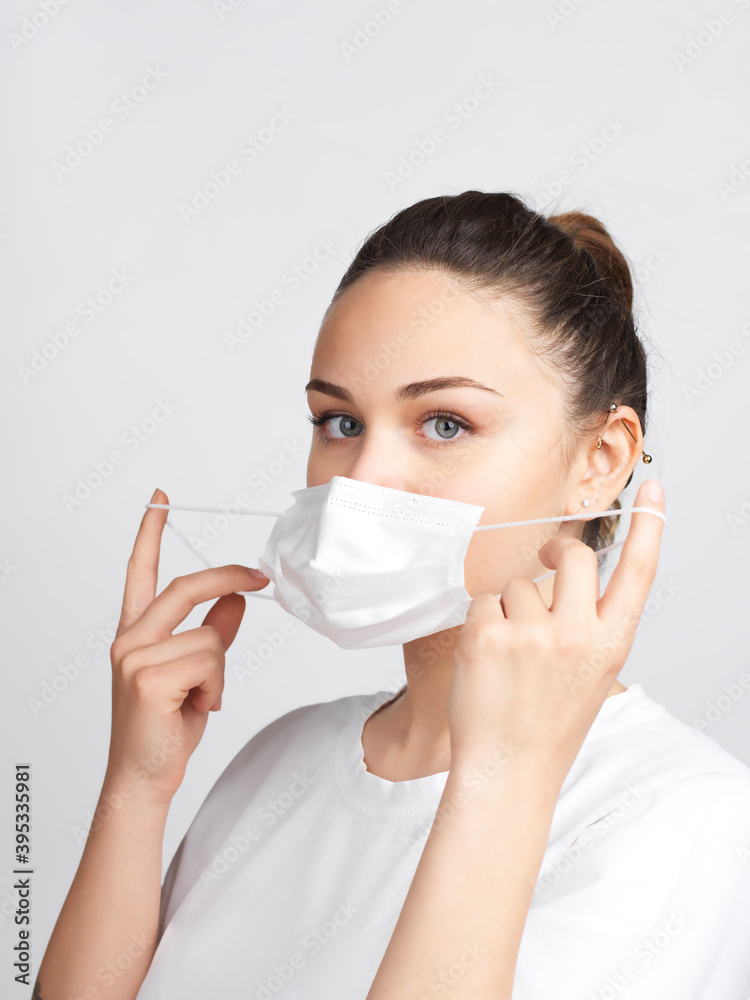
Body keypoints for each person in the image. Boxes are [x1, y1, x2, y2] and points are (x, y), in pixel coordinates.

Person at [35, 191, 750, 1000]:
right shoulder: (280, 761)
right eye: (339, 423)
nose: (362, 481)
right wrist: (135, 790)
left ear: (602, 460)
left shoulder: (683, 818)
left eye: (444, 423)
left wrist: (503, 776)